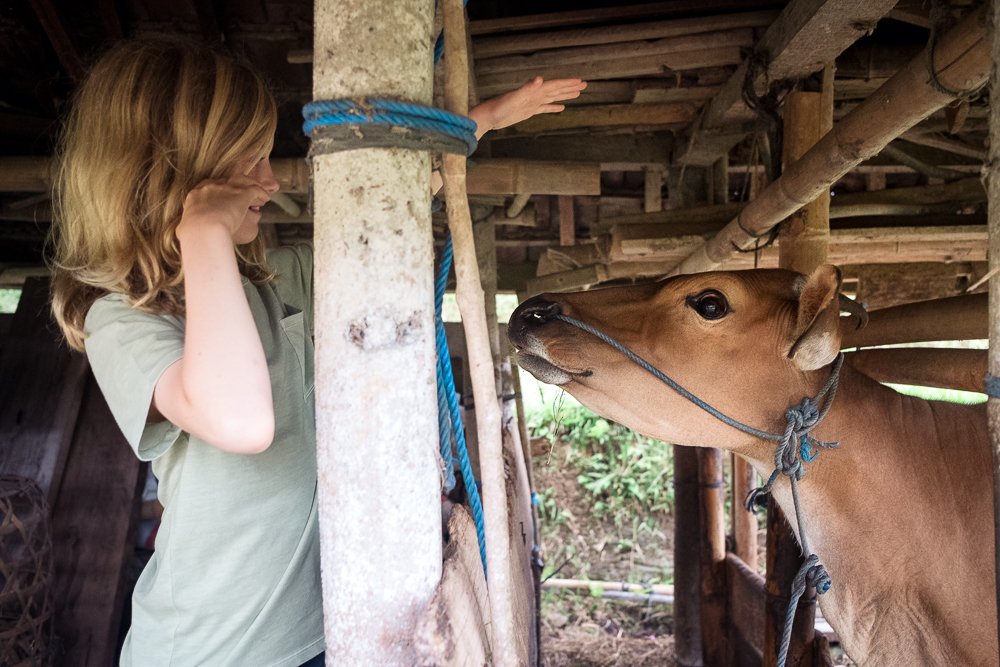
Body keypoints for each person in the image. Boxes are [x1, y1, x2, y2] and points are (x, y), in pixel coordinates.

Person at [49, 38, 584, 666]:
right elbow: (242, 422)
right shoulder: (122, 319)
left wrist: (481, 122)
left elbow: (391, 205)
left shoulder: (285, 280)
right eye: (246, 163)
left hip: (318, 636)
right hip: (211, 652)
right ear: (175, 177)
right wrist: (202, 231)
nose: (272, 182)